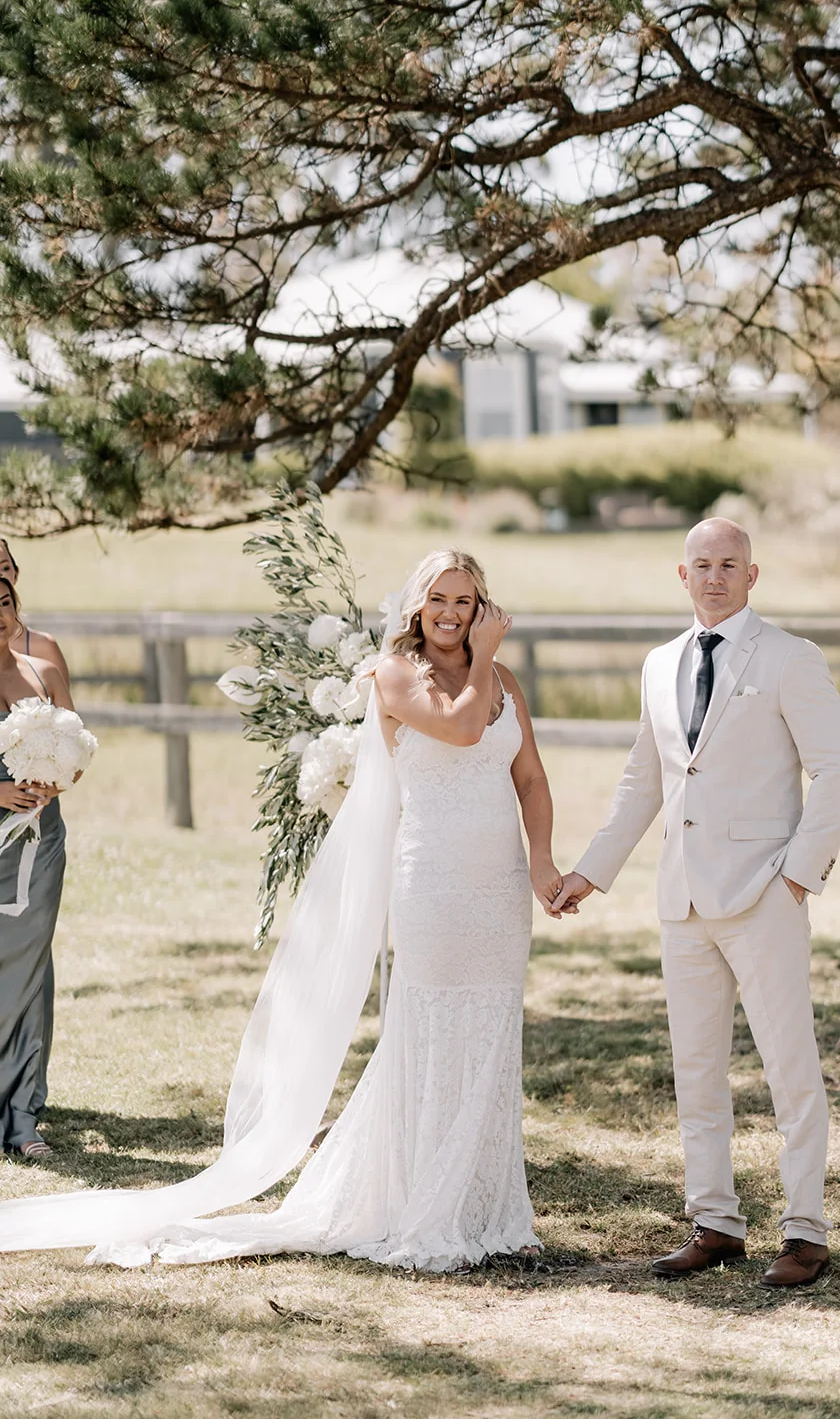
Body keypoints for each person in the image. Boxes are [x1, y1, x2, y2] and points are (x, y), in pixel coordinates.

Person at [0, 549, 563, 1271]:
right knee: (429, 1030)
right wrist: (484, 655)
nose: (452, 614)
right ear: (418, 608)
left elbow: (530, 777)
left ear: (482, 606)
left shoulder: (504, 682)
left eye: (465, 600)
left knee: (492, 1030)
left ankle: (490, 1206)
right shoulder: (395, 675)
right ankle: (424, 1201)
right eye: (439, 599)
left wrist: (542, 862)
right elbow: (459, 728)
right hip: (434, 883)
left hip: (500, 886)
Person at [552, 518, 840, 1290]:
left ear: (751, 575)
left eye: (729, 564)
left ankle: (805, 1232)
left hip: (764, 894)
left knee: (790, 1070)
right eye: (702, 564)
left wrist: (796, 877)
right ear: (681, 574)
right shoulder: (660, 663)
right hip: (681, 898)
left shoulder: (790, 657)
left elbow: (837, 770)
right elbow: (644, 780)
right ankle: (715, 1222)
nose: (714, 576)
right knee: (695, 1070)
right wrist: (591, 871)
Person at [0, 576, 78, 1159]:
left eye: (4, 603)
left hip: (40, 842)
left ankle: (23, 1116)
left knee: (31, 968)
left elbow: (77, 749)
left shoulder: (43, 672)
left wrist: (57, 779)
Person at [0, 542, 71, 689]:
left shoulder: (44, 647)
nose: (1, 575)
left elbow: (63, 702)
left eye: (5, 568)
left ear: (15, 574)